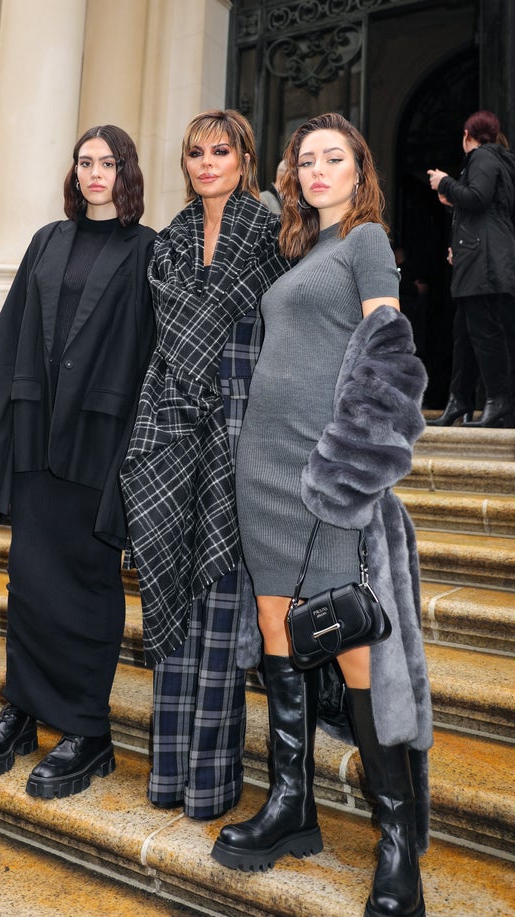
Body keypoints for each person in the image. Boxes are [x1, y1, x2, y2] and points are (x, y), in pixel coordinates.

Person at [211, 113, 432, 917]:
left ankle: (398, 840)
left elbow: (392, 353)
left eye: (333, 157)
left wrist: (349, 472)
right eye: (305, 160)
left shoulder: (367, 240)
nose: (317, 169)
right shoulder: (302, 248)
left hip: (320, 475)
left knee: (356, 657)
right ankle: (290, 806)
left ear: (358, 166)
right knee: (279, 639)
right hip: (260, 473)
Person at [0, 125, 156, 799]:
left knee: (87, 585)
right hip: (37, 436)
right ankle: (21, 712)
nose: (94, 173)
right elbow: (12, 335)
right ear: (73, 173)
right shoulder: (47, 240)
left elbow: (146, 359)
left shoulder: (145, 250)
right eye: (85, 162)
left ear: (125, 171)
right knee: (30, 580)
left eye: (107, 163)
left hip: (99, 445)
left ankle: (86, 729)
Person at [120, 110, 290, 820]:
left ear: (245, 157)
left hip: (239, 431)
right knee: (169, 599)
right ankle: (169, 777)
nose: (208, 162)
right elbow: (159, 347)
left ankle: (211, 784)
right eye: (196, 152)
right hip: (172, 430)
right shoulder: (169, 241)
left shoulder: (274, 233)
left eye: (222, 150)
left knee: (222, 612)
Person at [427, 110, 515, 427]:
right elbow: (485, 209)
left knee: (485, 335)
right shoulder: (496, 160)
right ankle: (458, 402)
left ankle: (498, 402)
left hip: (485, 265)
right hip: (480, 260)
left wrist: (445, 182)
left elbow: (478, 197)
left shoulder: (482, 157)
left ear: (467, 135)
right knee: (464, 335)